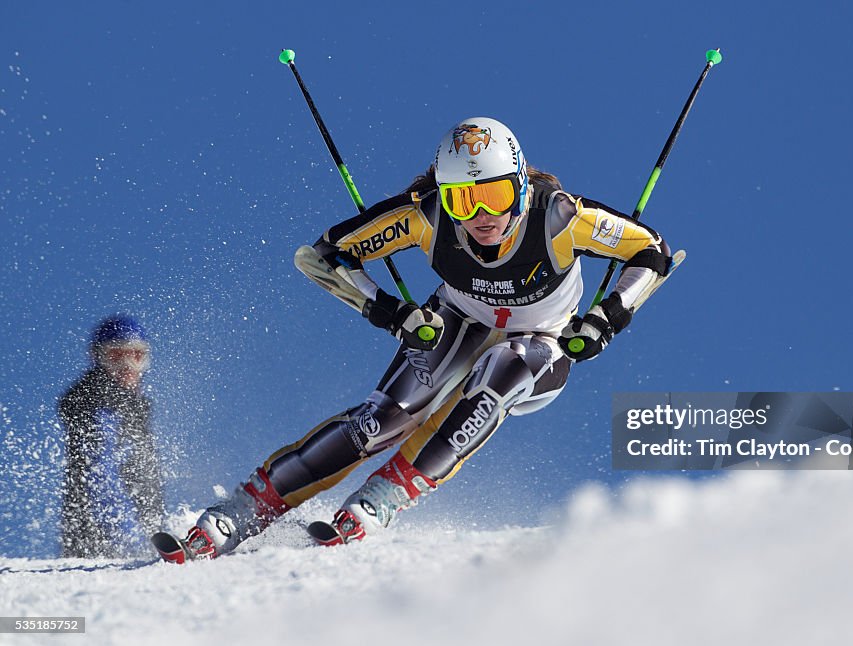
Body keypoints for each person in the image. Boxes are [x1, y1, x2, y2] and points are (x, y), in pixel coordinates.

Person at [156, 117, 674, 561]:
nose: (482, 216)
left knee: (506, 368)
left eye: (494, 195)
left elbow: (651, 251)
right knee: (385, 418)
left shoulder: (559, 217)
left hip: (543, 341)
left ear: (519, 184)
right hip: (458, 321)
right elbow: (321, 256)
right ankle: (242, 511)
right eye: (463, 199)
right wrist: (388, 311)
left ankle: (383, 497)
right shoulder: (426, 216)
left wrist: (607, 318)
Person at [60, 315, 164, 558]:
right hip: (100, 544)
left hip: (136, 540)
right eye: (116, 356)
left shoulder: (135, 405)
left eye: (136, 356)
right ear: (97, 358)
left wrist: (156, 532)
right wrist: (133, 542)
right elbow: (99, 471)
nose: (128, 366)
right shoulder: (91, 402)